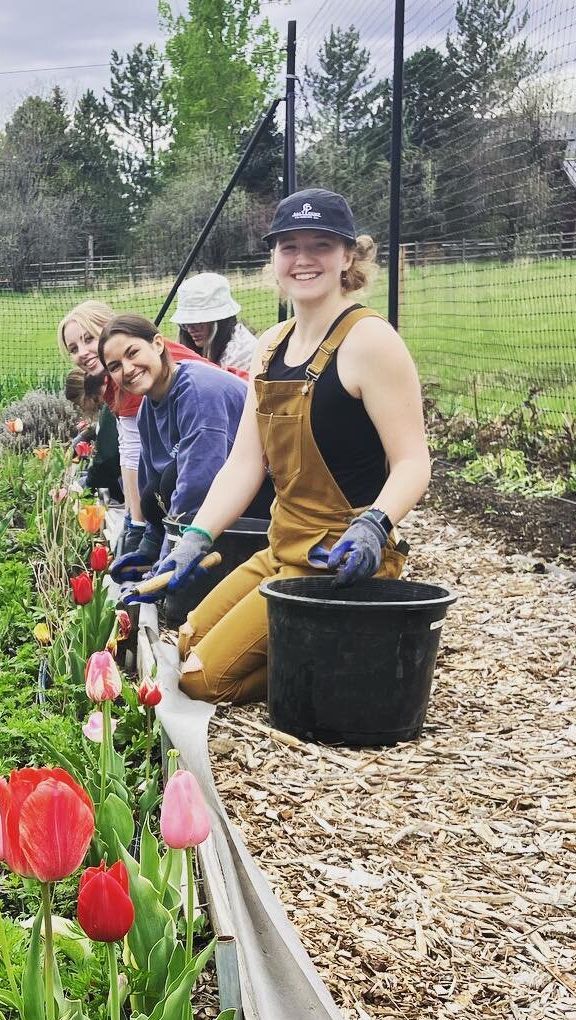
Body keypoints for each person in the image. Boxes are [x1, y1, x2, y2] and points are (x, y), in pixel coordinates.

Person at [129, 190, 432, 707]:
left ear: (348, 256)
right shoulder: (270, 345)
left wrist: (374, 523)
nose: (304, 259)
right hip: (281, 548)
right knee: (184, 639)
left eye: (321, 245)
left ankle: (345, 655)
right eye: (289, 246)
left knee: (202, 680)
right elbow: (246, 461)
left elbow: (413, 462)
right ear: (274, 259)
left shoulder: (371, 342)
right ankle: (329, 645)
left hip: (337, 560)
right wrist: (197, 535)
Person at [97, 313, 270, 549]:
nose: (127, 369)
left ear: (158, 344)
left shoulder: (198, 392)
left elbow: (197, 487)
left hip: (263, 497)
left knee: (173, 480)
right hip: (212, 504)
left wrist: (171, 558)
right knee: (152, 494)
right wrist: (149, 543)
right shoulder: (148, 408)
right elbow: (150, 484)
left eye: (132, 353)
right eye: (115, 366)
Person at [58, 300, 209, 566]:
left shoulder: (143, 371)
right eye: (73, 348)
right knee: (155, 491)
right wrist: (135, 521)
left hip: (231, 434)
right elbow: (131, 449)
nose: (82, 352)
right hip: (197, 443)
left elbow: (137, 452)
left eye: (89, 339)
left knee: (166, 484)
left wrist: (138, 524)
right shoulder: (117, 379)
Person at [171, 272, 257, 375]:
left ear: (220, 322)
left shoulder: (240, 355)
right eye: (185, 324)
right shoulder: (223, 342)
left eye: (199, 322)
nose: (190, 330)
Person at [65, 369, 120, 501]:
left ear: (85, 396)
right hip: (116, 476)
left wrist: (88, 485)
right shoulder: (107, 407)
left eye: (78, 404)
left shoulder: (109, 409)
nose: (81, 409)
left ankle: (107, 506)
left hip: (119, 482)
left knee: (83, 485)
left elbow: (107, 460)